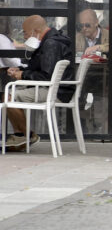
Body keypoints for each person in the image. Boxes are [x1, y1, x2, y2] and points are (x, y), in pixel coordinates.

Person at [4, 16, 76, 152]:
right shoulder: (52, 41)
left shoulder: (50, 44)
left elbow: (46, 77)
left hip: (55, 91)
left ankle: (25, 135)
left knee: (8, 96)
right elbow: (42, 69)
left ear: (36, 31)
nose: (24, 37)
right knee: (9, 94)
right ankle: (23, 135)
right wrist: (21, 71)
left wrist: (23, 75)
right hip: (60, 89)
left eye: (25, 32)